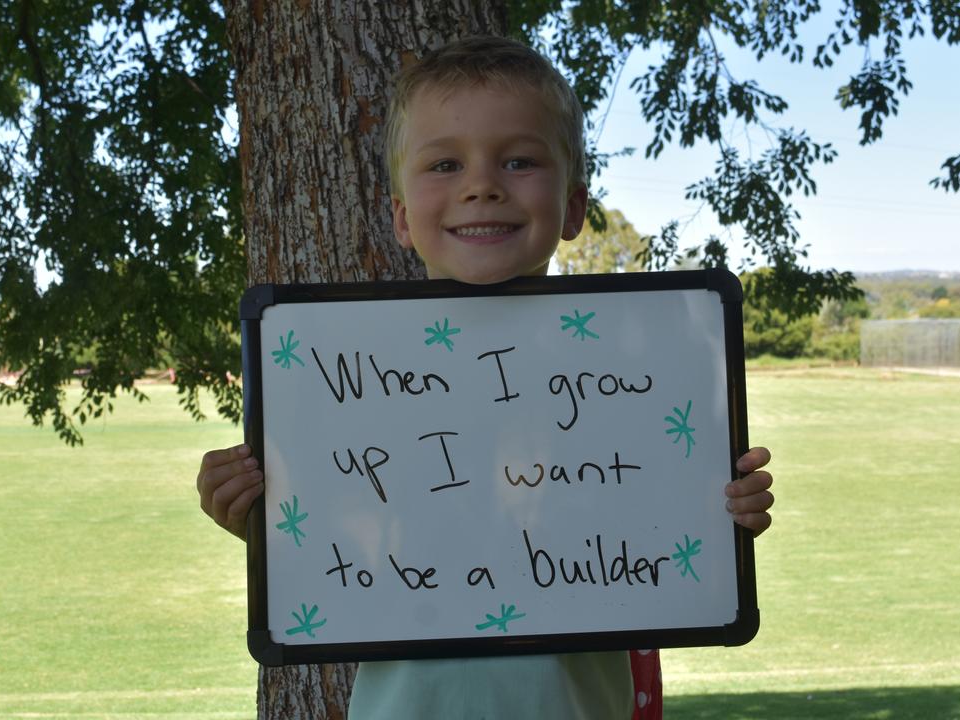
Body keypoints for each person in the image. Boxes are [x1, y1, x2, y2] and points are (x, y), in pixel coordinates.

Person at [196, 36, 775, 720]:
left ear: (573, 206)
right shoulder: (348, 378)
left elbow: (655, 521)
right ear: (402, 218)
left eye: (520, 160)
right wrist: (264, 521)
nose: (482, 185)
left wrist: (720, 512)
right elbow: (346, 537)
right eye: (445, 163)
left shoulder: (633, 372)